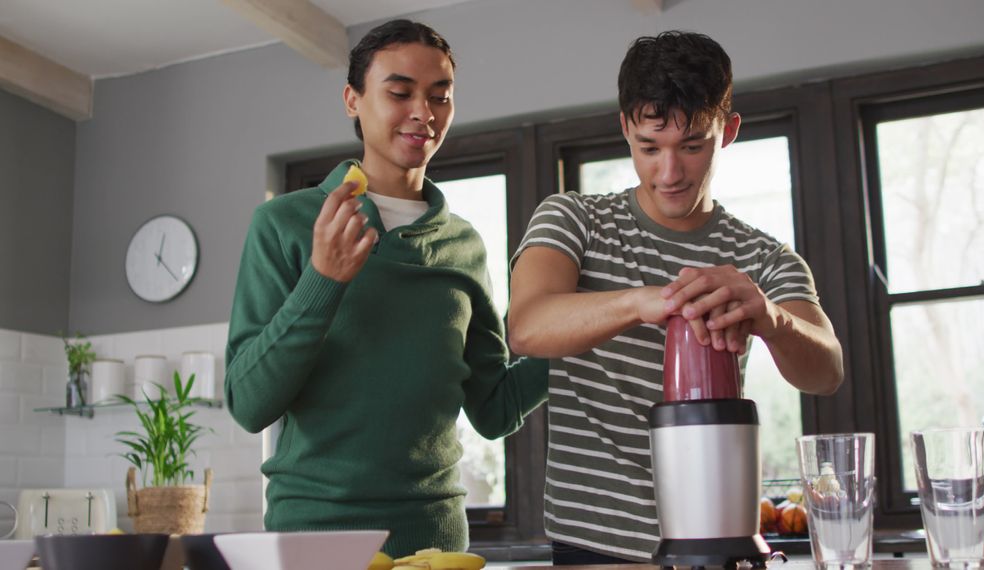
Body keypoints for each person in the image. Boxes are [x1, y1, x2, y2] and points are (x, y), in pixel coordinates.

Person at [507, 31, 844, 564]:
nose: (669, 172)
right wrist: (645, 302)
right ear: (625, 128)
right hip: (593, 544)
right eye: (649, 147)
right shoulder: (576, 220)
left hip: (715, 542)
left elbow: (826, 371)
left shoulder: (762, 257)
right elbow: (526, 326)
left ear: (727, 131)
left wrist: (771, 318)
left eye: (692, 146)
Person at [225, 19, 547, 557]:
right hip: (315, 543)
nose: (424, 113)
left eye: (440, 97)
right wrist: (323, 279)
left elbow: (493, 408)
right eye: (400, 93)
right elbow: (249, 403)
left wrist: (582, 335)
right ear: (353, 99)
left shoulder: (464, 245)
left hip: (437, 546)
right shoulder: (285, 224)